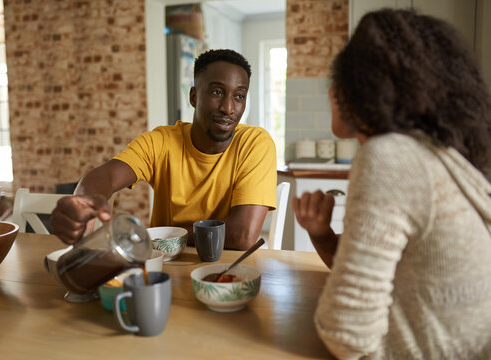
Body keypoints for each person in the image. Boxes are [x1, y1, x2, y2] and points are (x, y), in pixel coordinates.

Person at [293, 9, 491, 359]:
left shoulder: (391, 158)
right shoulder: (433, 153)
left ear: (360, 87)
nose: (330, 90)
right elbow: (393, 278)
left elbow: (346, 333)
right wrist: (324, 236)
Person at [51, 49, 277, 250]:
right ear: (194, 96)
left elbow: (242, 236)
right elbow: (107, 175)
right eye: (217, 92)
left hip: (229, 271)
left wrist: (167, 234)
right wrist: (84, 200)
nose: (229, 108)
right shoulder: (161, 141)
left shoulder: (255, 143)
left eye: (239, 96)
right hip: (166, 267)